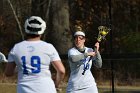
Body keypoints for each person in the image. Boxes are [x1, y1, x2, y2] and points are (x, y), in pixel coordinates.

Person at [4, 16, 65, 93]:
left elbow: (8, 73)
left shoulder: (16, 48)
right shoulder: (48, 47)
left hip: (24, 90)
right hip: (47, 88)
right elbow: (61, 71)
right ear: (42, 29)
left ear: (26, 29)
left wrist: (20, 67)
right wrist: (56, 84)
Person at [66, 28, 102, 93]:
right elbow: (73, 59)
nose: (78, 40)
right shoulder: (72, 51)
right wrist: (87, 54)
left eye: (80, 38)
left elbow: (99, 65)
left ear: (84, 40)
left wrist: (97, 51)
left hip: (90, 86)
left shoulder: (89, 50)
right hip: (75, 87)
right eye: (76, 38)